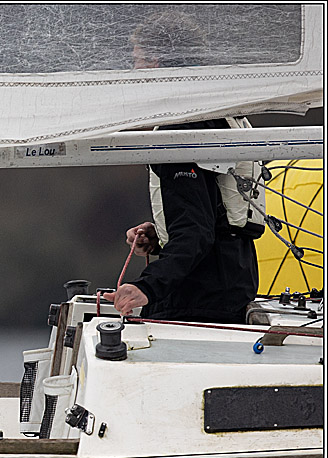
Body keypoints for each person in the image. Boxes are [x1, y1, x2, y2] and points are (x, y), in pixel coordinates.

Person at [103, 10, 264, 323]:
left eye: (137, 60)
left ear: (157, 63)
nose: (133, 70)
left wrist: (147, 287)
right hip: (231, 287)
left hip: (196, 298)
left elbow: (196, 231)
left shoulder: (181, 132)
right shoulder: (219, 116)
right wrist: (161, 233)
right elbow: (208, 214)